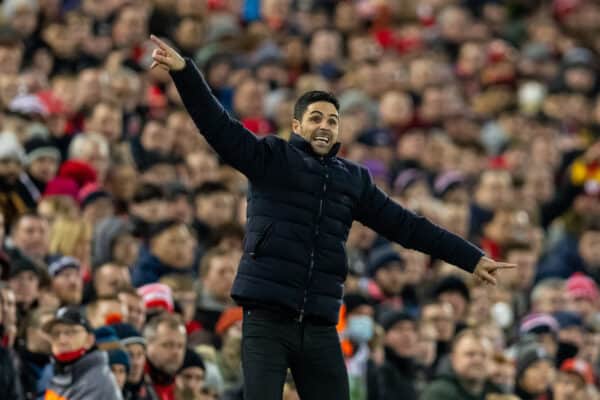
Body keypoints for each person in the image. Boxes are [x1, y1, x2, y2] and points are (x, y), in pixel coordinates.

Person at [149, 34, 516, 400]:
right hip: (266, 319)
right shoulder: (272, 158)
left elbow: (408, 227)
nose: (325, 125)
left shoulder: (353, 180)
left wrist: (471, 258)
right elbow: (218, 126)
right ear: (296, 126)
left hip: (321, 323)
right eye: (316, 118)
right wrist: (185, 72)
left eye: (333, 120)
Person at [43, 306, 123, 399]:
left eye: (70, 332)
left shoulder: (96, 380)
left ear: (89, 340)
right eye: (55, 334)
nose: (62, 340)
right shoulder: (58, 373)